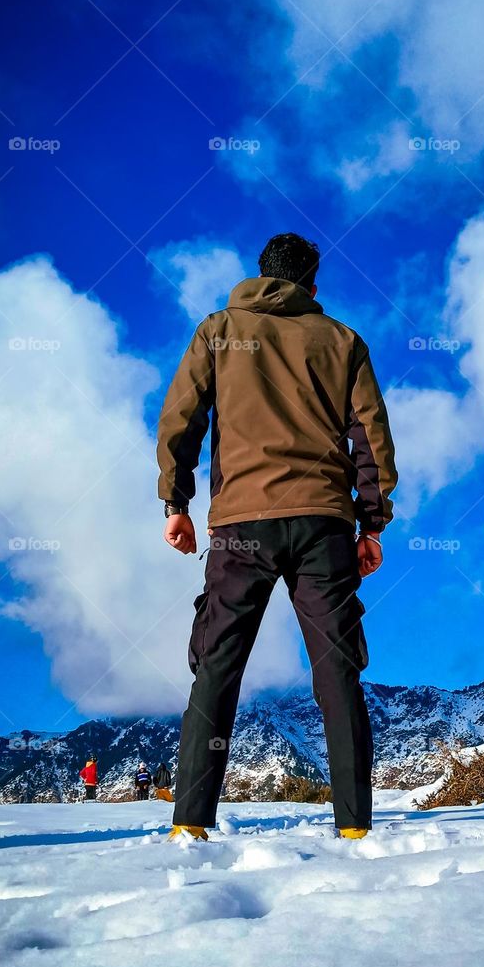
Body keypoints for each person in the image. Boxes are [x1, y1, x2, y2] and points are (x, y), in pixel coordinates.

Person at [156, 232, 397, 843]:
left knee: (217, 666)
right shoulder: (342, 340)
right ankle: (354, 829)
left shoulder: (218, 330)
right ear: (313, 286)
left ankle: (189, 821)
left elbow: (181, 419)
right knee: (337, 672)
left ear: (260, 275)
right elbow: (371, 437)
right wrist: (371, 522)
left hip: (240, 525)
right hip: (325, 524)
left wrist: (176, 502)